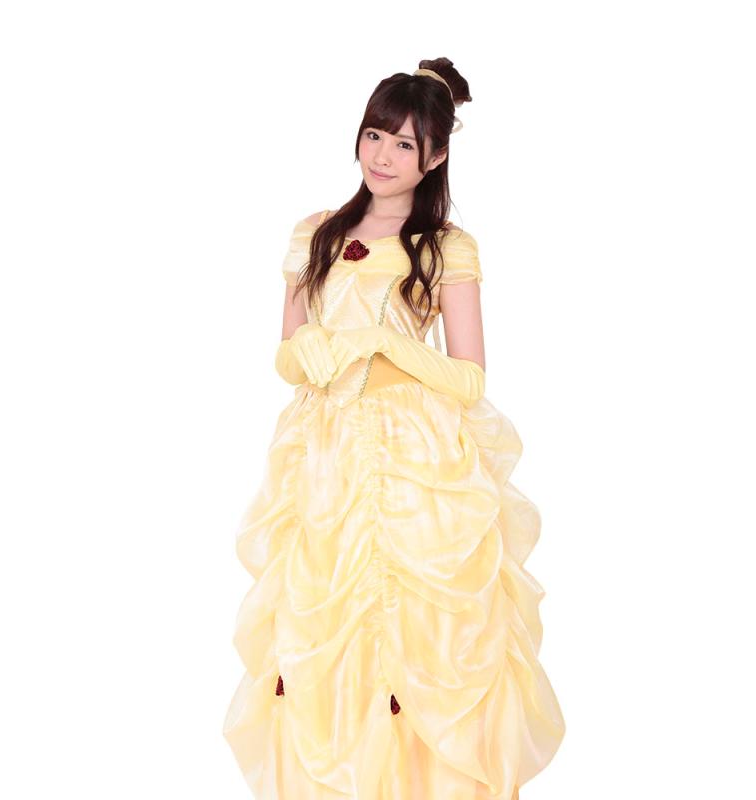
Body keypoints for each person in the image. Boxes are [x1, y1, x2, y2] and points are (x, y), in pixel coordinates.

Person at [222, 57, 565, 799]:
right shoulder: (315, 233)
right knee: (328, 633)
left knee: (420, 635)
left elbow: (469, 377)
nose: (382, 155)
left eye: (405, 144)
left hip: (415, 458)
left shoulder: (446, 246)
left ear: (435, 157)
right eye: (375, 135)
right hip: (326, 456)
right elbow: (286, 352)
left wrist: (384, 343)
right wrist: (304, 352)